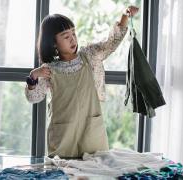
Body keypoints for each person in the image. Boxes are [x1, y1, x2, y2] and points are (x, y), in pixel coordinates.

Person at [25, 6, 139, 158]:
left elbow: (109, 44)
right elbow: (34, 97)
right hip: (63, 134)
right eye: (66, 36)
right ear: (53, 44)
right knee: (62, 172)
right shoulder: (49, 70)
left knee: (94, 170)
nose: (73, 38)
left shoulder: (89, 55)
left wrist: (124, 17)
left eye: (73, 33)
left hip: (91, 129)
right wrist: (33, 77)